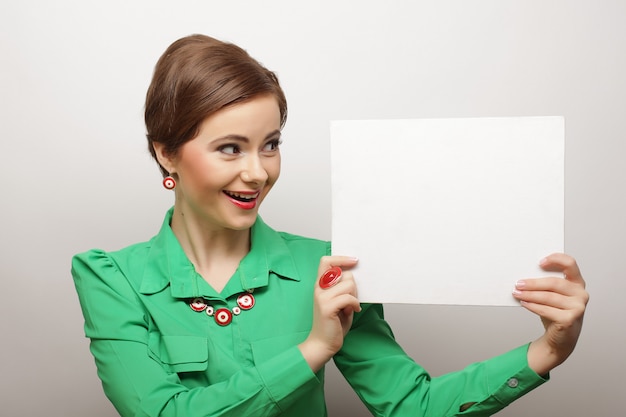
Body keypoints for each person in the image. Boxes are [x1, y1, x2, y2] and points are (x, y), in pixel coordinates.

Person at [71, 34, 589, 417]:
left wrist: (546, 351)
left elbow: (413, 405)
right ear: (166, 153)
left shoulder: (327, 268)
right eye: (230, 148)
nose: (258, 172)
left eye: (270, 144)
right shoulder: (110, 278)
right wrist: (313, 349)